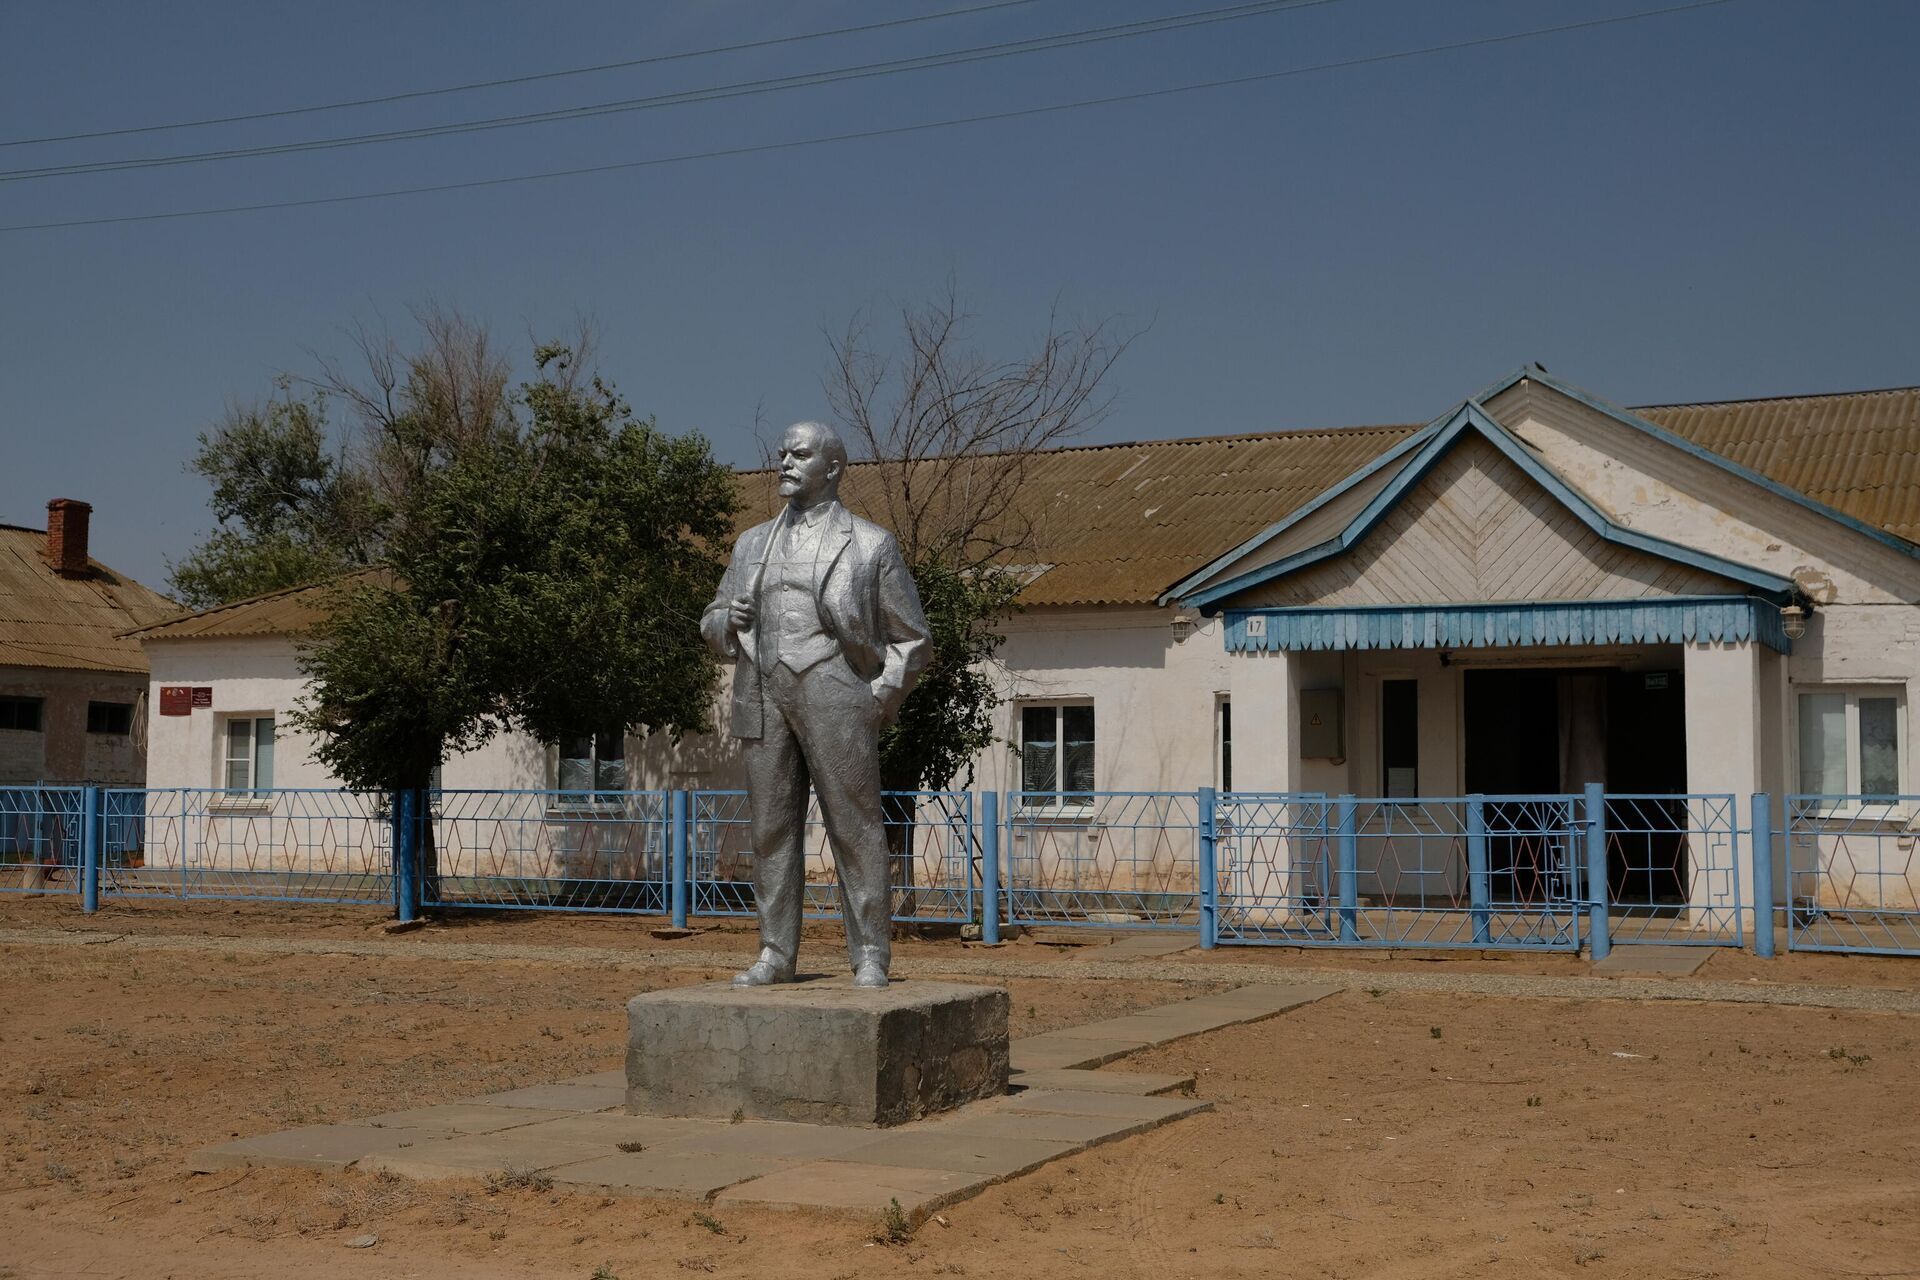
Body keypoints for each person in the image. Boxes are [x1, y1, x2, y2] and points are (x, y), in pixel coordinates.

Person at [701, 421, 930, 989]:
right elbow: (711, 617)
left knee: (854, 826)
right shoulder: (752, 543)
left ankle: (871, 953)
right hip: (762, 688)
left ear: (833, 467)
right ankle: (776, 952)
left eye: (799, 454)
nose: (785, 463)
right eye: (782, 454)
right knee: (770, 830)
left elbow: (913, 638)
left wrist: (879, 696)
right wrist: (724, 623)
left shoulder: (871, 543)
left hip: (834, 687)